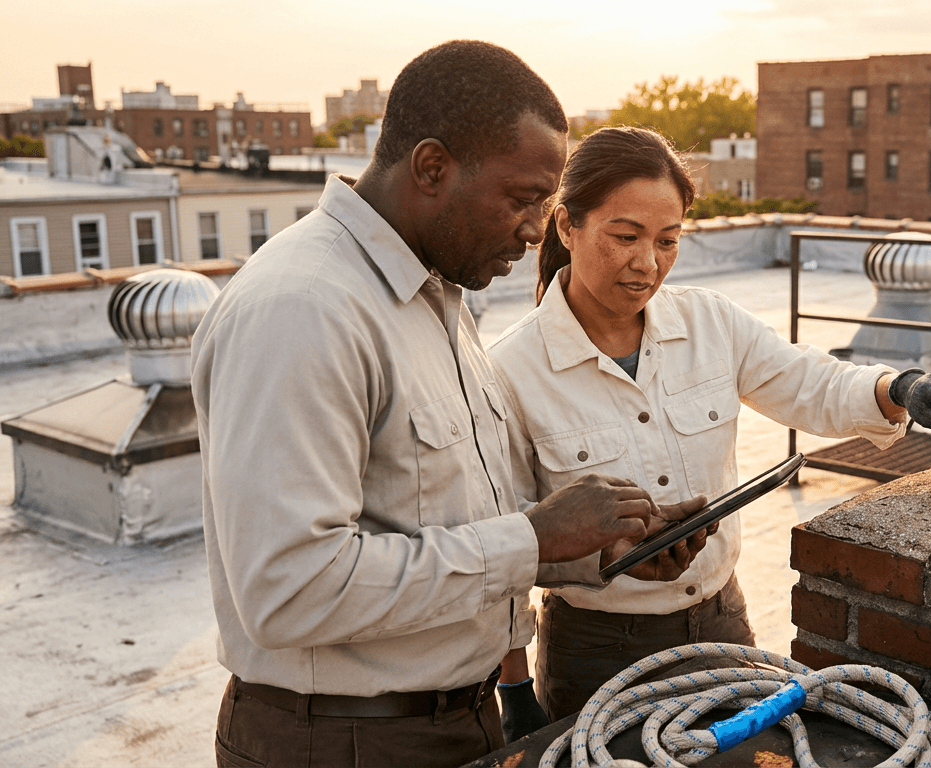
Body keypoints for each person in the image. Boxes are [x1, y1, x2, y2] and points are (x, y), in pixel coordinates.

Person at [191, 43, 703, 768]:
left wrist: (590, 554)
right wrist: (533, 539)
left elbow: (435, 522)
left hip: (447, 721)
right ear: (432, 168)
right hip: (339, 741)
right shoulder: (304, 309)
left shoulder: (436, 293)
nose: (535, 232)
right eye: (523, 198)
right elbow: (287, 592)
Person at [486, 126, 931, 722]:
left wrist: (903, 387)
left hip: (722, 623)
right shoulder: (510, 370)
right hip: (598, 651)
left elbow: (808, 381)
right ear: (566, 226)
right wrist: (514, 690)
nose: (646, 264)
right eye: (624, 236)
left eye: (668, 240)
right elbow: (505, 547)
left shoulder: (710, 323)